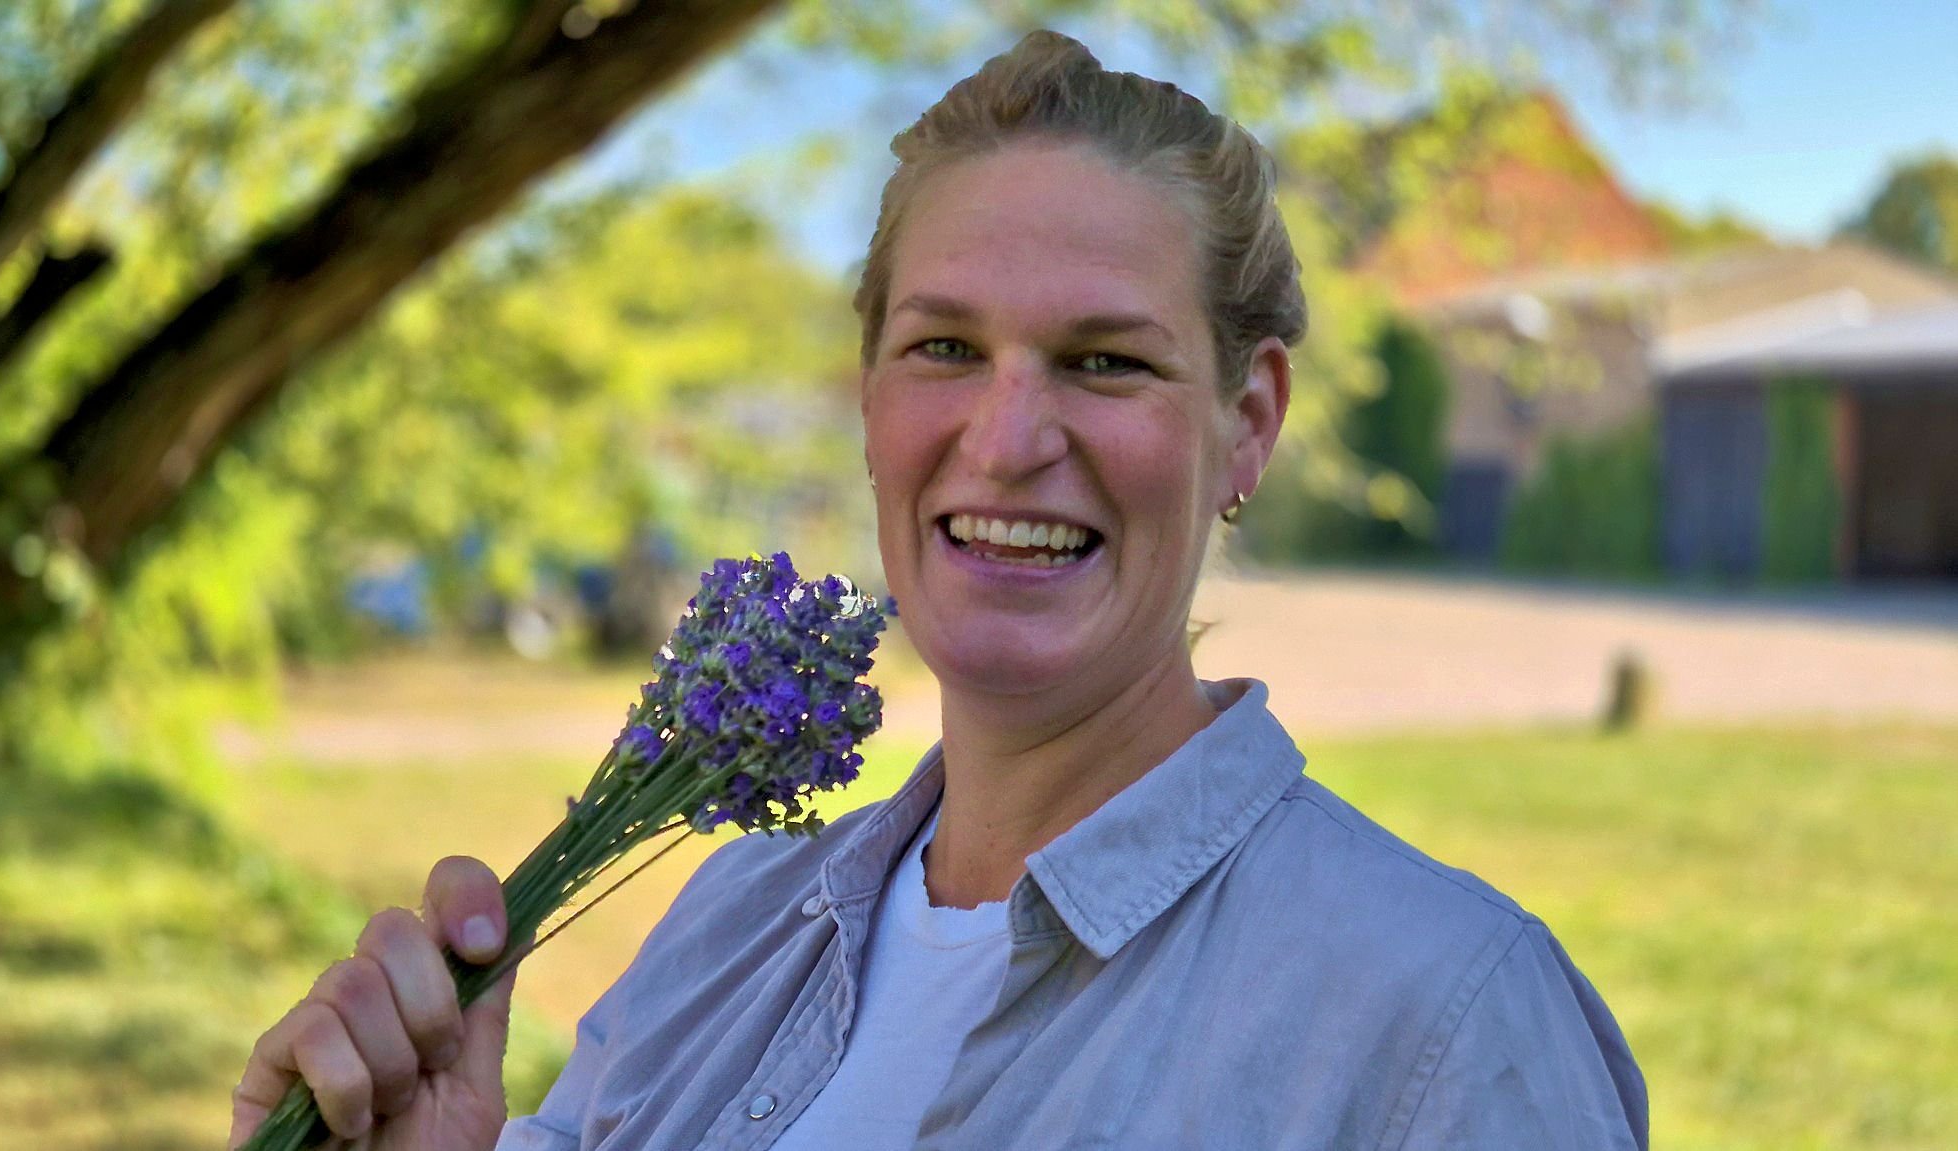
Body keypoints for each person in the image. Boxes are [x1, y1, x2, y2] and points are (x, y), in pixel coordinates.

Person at [230, 30, 1648, 1151]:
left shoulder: (1443, 1019)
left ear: (1249, 420)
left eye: (1107, 361)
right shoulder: (731, 924)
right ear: (869, 404)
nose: (1008, 437)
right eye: (944, 349)